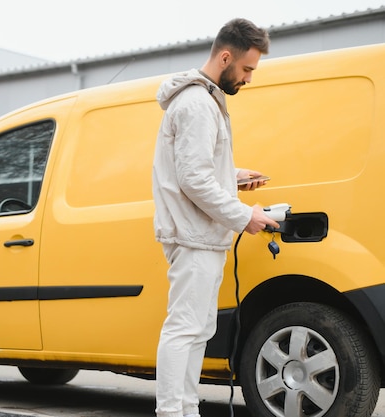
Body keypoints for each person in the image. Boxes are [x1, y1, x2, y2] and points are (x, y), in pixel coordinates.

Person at [152, 18, 279, 417]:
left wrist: (233, 176)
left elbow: (197, 171)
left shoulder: (202, 101)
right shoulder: (198, 104)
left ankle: (185, 409)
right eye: (246, 69)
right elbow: (193, 180)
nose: (248, 79)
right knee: (185, 329)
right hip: (193, 237)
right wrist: (246, 216)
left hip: (200, 235)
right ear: (226, 57)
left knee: (197, 330)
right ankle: (173, 412)